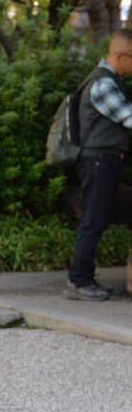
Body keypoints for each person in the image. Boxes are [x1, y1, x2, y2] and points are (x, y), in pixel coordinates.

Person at [67, 28, 132, 301]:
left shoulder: (109, 80)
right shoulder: (103, 84)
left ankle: (84, 278)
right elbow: (128, 117)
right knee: (93, 220)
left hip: (103, 161)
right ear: (120, 56)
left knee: (99, 217)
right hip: (98, 161)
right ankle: (79, 281)